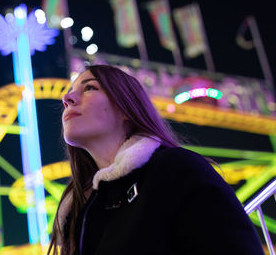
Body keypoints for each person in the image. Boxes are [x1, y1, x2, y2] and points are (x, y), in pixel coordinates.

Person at [48, 65, 264, 255]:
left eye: (89, 88)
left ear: (126, 107)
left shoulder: (176, 169)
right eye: (69, 93)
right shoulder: (78, 214)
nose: (66, 99)